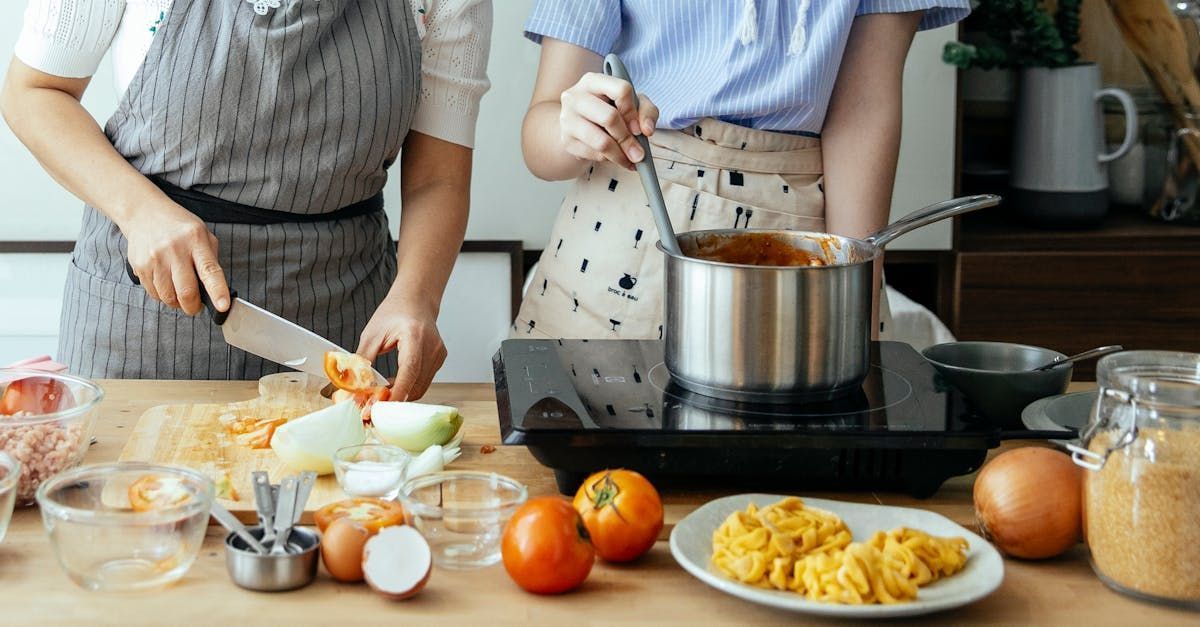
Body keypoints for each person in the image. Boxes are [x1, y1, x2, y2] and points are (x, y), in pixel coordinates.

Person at [3, 0, 492, 400]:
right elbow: (34, 92)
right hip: (144, 309)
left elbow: (438, 179)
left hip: (347, 320)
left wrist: (416, 297)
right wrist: (141, 212)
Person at [515, 0, 969, 340]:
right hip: (617, 236)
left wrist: (857, 302)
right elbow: (540, 141)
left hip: (798, 233)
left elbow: (864, 112)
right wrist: (575, 126)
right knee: (589, 463)